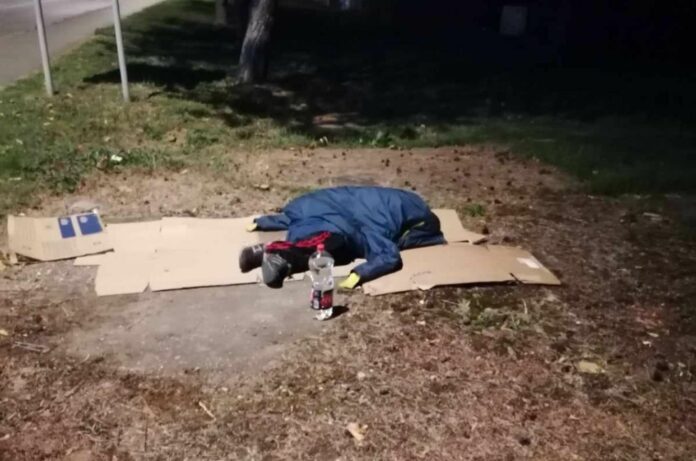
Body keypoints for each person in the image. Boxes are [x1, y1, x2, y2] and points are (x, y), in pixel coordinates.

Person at [239, 186, 444, 289]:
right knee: (331, 243)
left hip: (312, 203)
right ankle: (280, 254)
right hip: (336, 218)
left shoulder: (404, 207)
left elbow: (292, 217)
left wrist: (262, 222)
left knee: (311, 229)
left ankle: (265, 253)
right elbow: (388, 254)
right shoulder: (390, 222)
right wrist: (359, 275)